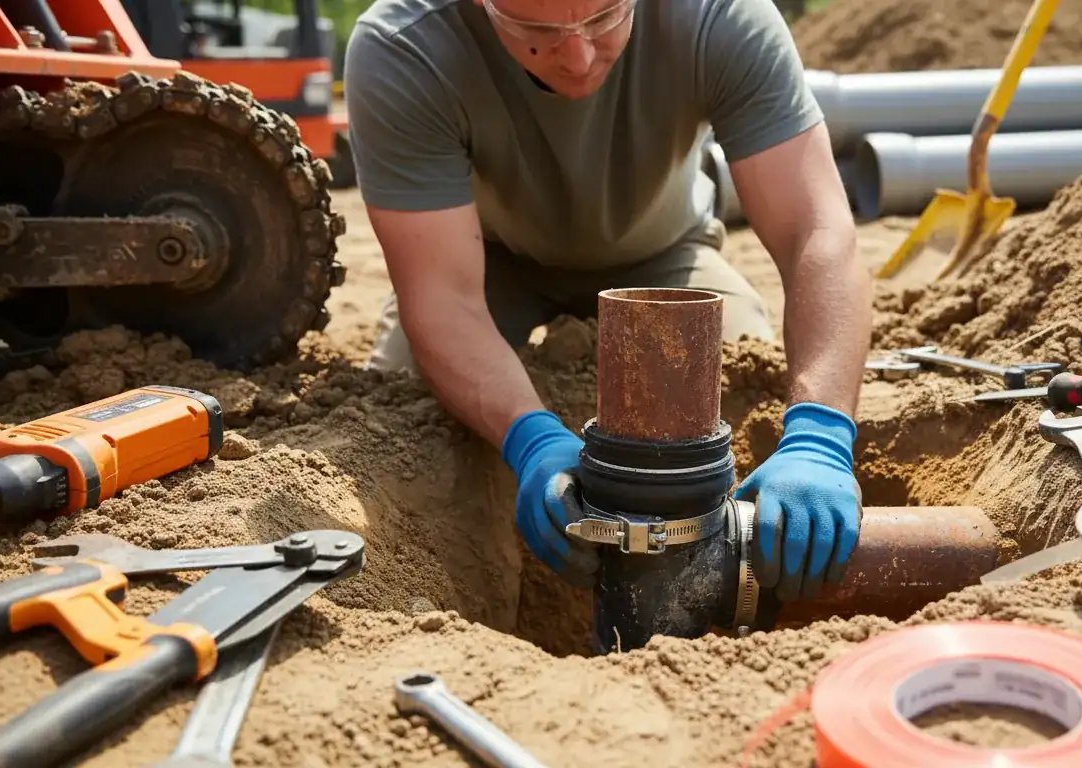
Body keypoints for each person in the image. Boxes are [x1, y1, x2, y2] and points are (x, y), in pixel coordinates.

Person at [345, 0, 873, 602]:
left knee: (741, 380)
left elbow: (818, 229)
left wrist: (820, 435)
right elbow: (441, 296)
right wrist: (531, 439)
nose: (577, 56)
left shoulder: (718, 16)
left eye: (604, 19)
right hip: (486, 268)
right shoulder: (404, 47)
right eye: (536, 31)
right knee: (400, 411)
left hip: (664, 256)